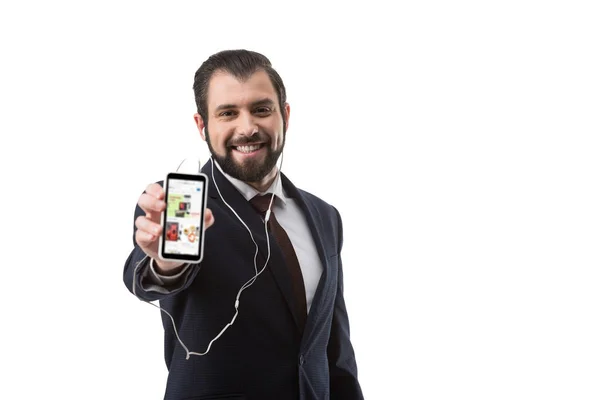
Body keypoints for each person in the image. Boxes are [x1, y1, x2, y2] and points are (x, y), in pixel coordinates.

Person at [123, 49, 364, 400]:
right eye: (228, 113)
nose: (247, 127)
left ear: (285, 115)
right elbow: (151, 276)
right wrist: (166, 264)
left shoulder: (324, 216)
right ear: (202, 126)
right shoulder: (175, 206)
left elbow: (335, 350)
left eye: (261, 109)